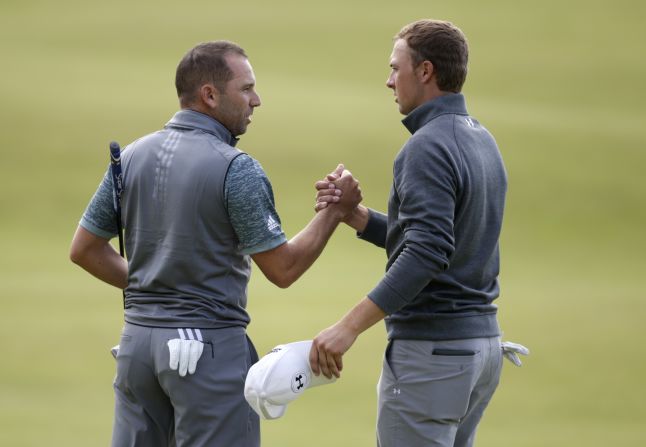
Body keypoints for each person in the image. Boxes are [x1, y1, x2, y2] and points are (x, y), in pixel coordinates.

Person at [69, 40, 360, 447]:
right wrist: (335, 211)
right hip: (207, 353)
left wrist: (155, 287)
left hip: (137, 348)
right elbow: (283, 269)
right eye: (246, 89)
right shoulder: (236, 168)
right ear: (209, 94)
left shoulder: (131, 156)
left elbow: (84, 249)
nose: (256, 100)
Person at [309, 20, 508, 447]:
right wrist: (357, 216)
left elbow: (427, 252)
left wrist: (348, 327)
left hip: (434, 355)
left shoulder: (426, 146)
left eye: (395, 67)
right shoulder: (482, 139)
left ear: (425, 72)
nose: (388, 80)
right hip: (480, 349)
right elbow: (443, 241)